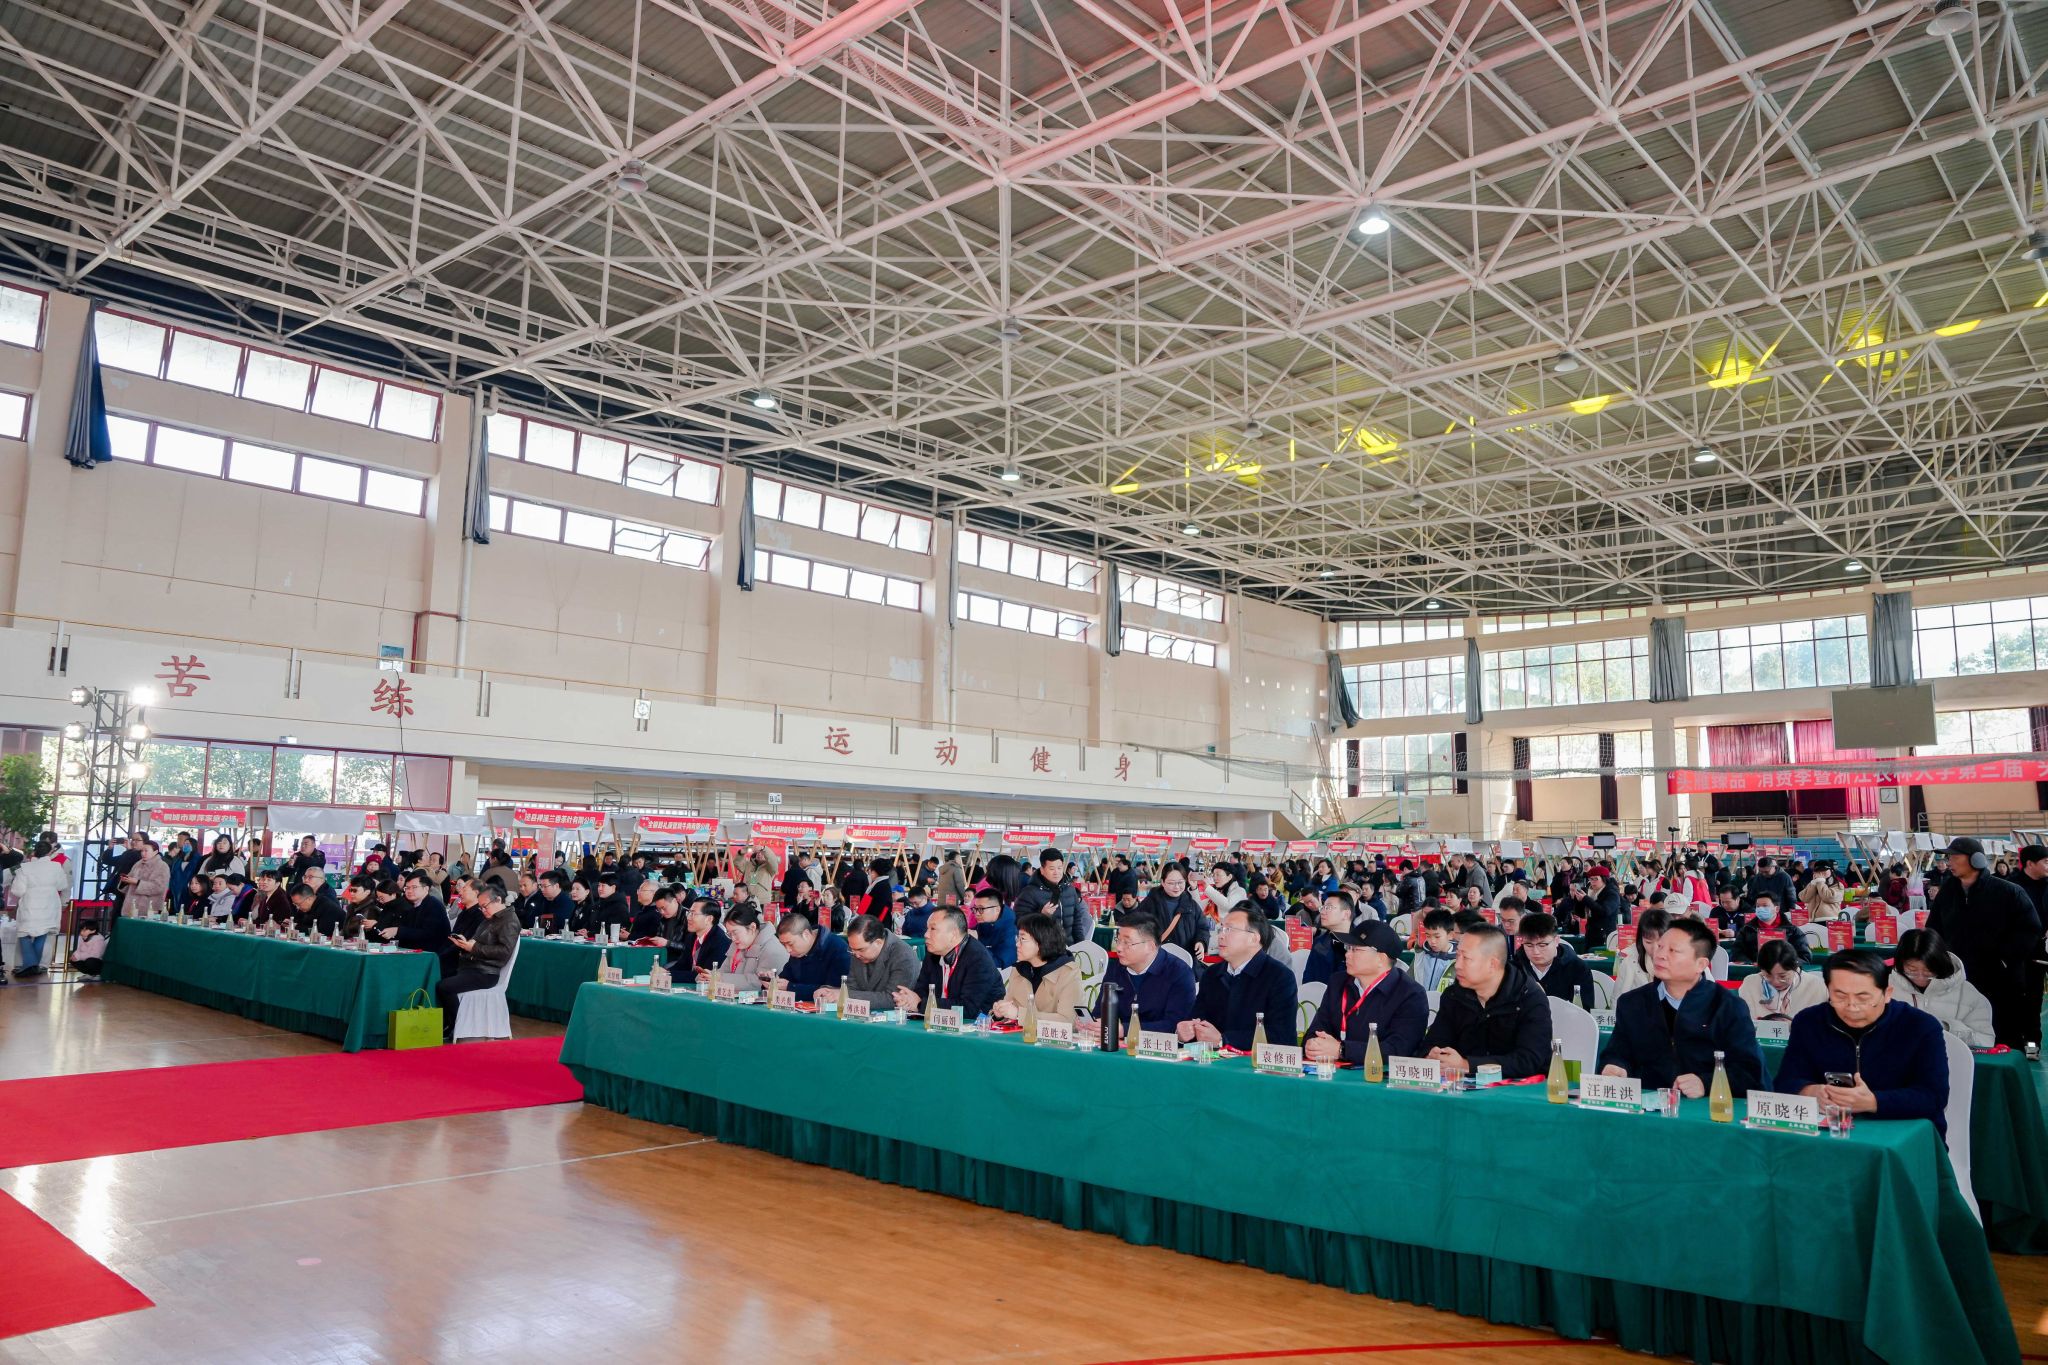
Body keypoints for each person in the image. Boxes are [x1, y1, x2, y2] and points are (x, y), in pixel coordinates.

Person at [1773, 949, 1951, 1135]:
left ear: (1887, 993)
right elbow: (1785, 1081)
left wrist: (1873, 1102)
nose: (1852, 1007)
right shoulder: (1808, 1022)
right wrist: (1809, 1092)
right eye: (1840, 996)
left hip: (1904, 1135)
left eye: (1863, 997)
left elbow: (1934, 1096)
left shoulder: (1920, 1026)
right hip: (1830, 1133)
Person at [1598, 918, 1765, 1097]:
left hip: (1705, 1108)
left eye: (1673, 950)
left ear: (1700, 964)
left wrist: (1705, 1083)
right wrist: (1616, 1066)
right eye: (1660, 947)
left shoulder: (1728, 1007)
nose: (1659, 955)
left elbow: (1749, 1074)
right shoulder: (1632, 1003)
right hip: (1646, 1106)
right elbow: (1617, 1053)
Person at [1927, 836, 2043, 1046]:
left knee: (2005, 1031)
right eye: (1948, 857)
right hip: (1959, 976)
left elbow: (2029, 929)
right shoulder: (1948, 893)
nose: (1949, 862)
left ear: (1976, 859)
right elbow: (1934, 929)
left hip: (2001, 978)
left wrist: (2005, 959)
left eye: (1955, 857)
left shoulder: (2008, 892)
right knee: (1965, 1031)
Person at [1419, 924, 1552, 1080]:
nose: (1458, 965)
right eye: (1457, 956)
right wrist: (1433, 1055)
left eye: (1466, 958)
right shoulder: (1454, 995)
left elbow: (1529, 1060)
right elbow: (1433, 1042)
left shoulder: (1528, 997)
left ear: (1492, 964)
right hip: (1465, 1086)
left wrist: (1467, 1065)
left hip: (1522, 1089)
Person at [1303, 921, 1429, 1064]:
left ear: (1381, 958)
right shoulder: (1338, 982)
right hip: (1333, 1071)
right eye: (1348, 948)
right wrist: (1313, 1044)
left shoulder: (1410, 994)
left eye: (1355, 949)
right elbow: (1317, 1028)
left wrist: (1342, 1050)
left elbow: (1398, 1050)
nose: (1347, 954)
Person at [1180, 908, 1298, 1050]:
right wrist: (1187, 1031)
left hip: (1255, 1062)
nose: (1220, 936)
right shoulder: (1212, 974)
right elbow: (1197, 1018)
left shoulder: (1279, 977)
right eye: (1221, 929)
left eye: (1229, 930)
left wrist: (1223, 1040)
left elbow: (1281, 1036)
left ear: (1254, 938)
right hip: (1213, 1059)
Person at [1079, 912, 1196, 1038]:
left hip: (1159, 1046)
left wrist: (1124, 1030)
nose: (1118, 948)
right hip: (1121, 1045)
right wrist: (1091, 1025)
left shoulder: (1179, 973)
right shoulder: (1116, 969)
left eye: (1127, 943)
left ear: (1150, 946)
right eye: (1118, 940)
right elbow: (1101, 1013)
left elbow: (1175, 1026)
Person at [433, 884, 520, 1040]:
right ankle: (447, 1023)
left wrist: (473, 947)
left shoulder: (509, 921)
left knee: (444, 987)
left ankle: (456, 1025)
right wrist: (466, 944)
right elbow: (478, 941)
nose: (483, 910)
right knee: (440, 976)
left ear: (498, 900)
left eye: (485, 906)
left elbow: (504, 952)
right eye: (481, 907)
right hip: (473, 966)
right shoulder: (491, 919)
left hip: (486, 972)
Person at [1888, 928, 1996, 1048]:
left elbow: (1986, 1041)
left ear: (1940, 964)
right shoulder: (1886, 988)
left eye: (1928, 971)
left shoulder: (1968, 995)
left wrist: (1948, 1028)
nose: (1920, 977)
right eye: (1912, 970)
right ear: (1900, 964)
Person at [895, 908, 1004, 1017]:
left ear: (953, 934)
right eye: (927, 929)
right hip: (939, 1020)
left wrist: (920, 1004)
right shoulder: (933, 953)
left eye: (933, 929)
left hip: (977, 1023)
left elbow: (968, 1008)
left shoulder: (978, 959)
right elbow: (921, 991)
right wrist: (908, 1000)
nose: (926, 934)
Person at [992, 912, 1082, 1023]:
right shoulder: (1020, 970)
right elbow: (1010, 1008)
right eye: (1017, 938)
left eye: (1023, 939)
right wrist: (1000, 1013)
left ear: (1042, 942)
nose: (1017, 944)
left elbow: (1068, 1020)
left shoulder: (1068, 973)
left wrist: (1019, 1014)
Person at [818, 913, 918, 1010]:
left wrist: (844, 995)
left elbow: (892, 999)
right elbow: (852, 988)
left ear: (878, 942)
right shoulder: (857, 950)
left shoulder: (903, 956)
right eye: (852, 950)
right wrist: (828, 992)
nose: (856, 955)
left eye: (861, 950)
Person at [8, 835, 67, 980]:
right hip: (50, 903)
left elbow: (18, 890)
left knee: (24, 934)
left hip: (30, 904)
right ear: (49, 852)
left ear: (34, 852)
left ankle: (30, 964)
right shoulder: (56, 867)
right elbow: (62, 885)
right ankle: (33, 965)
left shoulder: (25, 868)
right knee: (42, 933)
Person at [1513, 912, 1596, 1008]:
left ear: (1556, 941)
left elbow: (1585, 1011)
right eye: (1529, 945)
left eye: (1542, 945)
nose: (1536, 951)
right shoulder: (1514, 968)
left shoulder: (1577, 968)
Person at [1013, 847, 1089, 947]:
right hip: (1043, 950)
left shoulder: (1070, 890)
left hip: (1069, 949)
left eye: (1059, 868)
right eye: (1052, 869)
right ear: (1042, 870)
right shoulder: (1029, 893)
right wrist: (1041, 915)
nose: (1056, 872)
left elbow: (1077, 922)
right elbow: (1019, 923)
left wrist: (1081, 946)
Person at [1737, 939, 1828, 1022]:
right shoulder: (1751, 984)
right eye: (1768, 975)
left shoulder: (1817, 987)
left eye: (1782, 976)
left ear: (1795, 967)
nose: (1776, 982)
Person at [770, 911, 850, 1003]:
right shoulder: (798, 952)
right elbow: (786, 979)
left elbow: (831, 991)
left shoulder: (837, 948)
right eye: (783, 945)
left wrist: (790, 987)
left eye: (790, 944)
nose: (788, 950)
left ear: (806, 934)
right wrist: (773, 981)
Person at [1134, 864, 1207, 962]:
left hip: (1186, 961)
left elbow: (1202, 927)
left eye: (1180, 882)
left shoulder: (1191, 904)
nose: (1176, 887)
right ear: (1163, 882)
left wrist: (1201, 942)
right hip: (1158, 960)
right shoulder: (1150, 903)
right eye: (1171, 883)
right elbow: (1136, 927)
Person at [717, 904, 789, 987]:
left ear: (752, 927)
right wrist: (712, 976)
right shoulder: (738, 943)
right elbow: (724, 970)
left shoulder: (772, 949)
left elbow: (760, 983)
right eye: (729, 934)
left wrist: (721, 978)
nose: (733, 938)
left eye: (735, 933)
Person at [1734, 892, 1810, 965]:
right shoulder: (1747, 929)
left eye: (1765, 906)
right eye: (1758, 906)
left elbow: (1804, 956)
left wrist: (1785, 965)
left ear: (1777, 909)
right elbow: (1737, 953)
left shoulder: (1792, 931)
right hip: (1754, 970)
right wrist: (1749, 964)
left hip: (1784, 971)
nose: (1761, 909)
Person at [1611, 907, 1669, 995]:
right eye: (1648, 942)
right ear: (1640, 939)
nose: (1654, 949)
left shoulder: (1681, 964)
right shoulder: (1629, 962)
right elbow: (1616, 998)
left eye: (1660, 943)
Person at [675, 896, 730, 976]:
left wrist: (668, 975)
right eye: (689, 912)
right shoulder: (691, 936)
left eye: (693, 914)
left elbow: (704, 975)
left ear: (709, 919)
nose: (688, 918)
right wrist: (665, 972)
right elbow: (682, 964)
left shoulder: (721, 942)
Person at [1411, 908, 1459, 992]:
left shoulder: (1458, 960)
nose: (1432, 941)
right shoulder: (1421, 954)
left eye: (1437, 936)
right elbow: (1410, 979)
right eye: (1428, 936)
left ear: (1450, 935)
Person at [970, 884, 1018, 970]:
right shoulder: (985, 921)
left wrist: (976, 943)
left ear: (997, 910)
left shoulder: (1010, 929)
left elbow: (1000, 964)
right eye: (975, 909)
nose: (976, 913)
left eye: (981, 909)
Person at [120, 838, 170, 918]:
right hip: (130, 906)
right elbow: (129, 881)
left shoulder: (162, 866)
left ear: (155, 852)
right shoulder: (138, 864)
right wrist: (125, 881)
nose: (143, 853)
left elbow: (159, 887)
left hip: (149, 908)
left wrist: (137, 882)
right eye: (142, 851)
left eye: (146, 851)